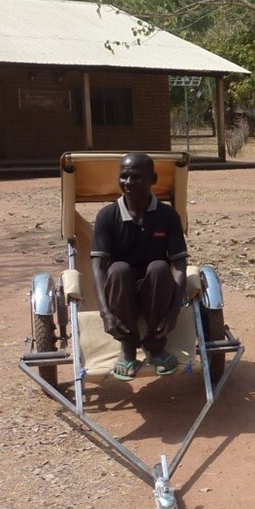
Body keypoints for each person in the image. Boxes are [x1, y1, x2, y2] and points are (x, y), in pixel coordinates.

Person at [91, 152, 189, 381]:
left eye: (136, 177)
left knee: (158, 267)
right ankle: (127, 349)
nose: (128, 183)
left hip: (155, 290)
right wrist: (105, 313)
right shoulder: (107, 216)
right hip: (120, 291)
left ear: (153, 179)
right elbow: (98, 267)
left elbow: (179, 265)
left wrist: (174, 312)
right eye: (123, 176)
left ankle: (155, 347)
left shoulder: (167, 215)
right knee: (118, 269)